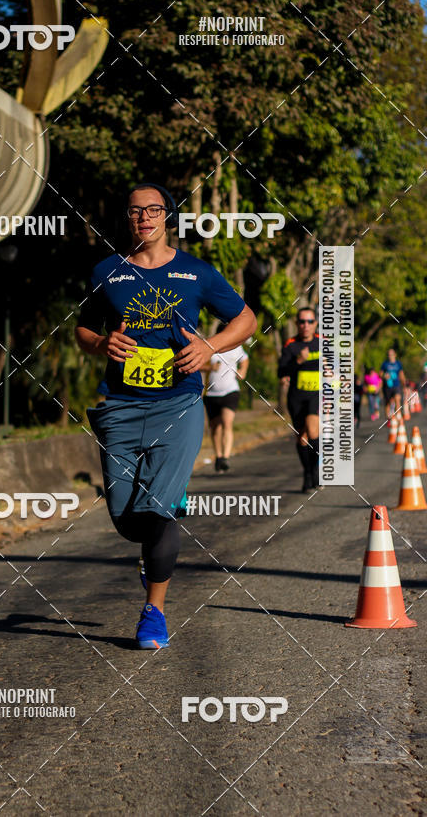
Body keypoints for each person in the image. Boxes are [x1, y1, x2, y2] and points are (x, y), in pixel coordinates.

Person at [75, 182, 256, 649]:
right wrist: (100, 343)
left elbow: (246, 320)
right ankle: (159, 525)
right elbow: (83, 329)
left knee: (157, 515)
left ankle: (153, 612)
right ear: (127, 218)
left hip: (179, 404)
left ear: (167, 217)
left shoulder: (196, 273)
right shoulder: (105, 272)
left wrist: (208, 345)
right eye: (136, 211)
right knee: (126, 519)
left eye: (154, 210)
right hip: (119, 405)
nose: (145, 218)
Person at [278, 307, 320, 492]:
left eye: (310, 321)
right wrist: (299, 362)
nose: (306, 325)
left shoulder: (322, 343)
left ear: (315, 324)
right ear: (297, 324)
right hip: (296, 397)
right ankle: (308, 472)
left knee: (312, 431)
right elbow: (282, 371)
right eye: (302, 322)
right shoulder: (291, 345)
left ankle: (314, 471)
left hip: (316, 395)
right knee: (301, 437)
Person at [203, 335, 249, 472]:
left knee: (227, 422)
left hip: (231, 391)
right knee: (215, 427)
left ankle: (225, 458)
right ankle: (218, 456)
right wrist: (210, 367)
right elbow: (199, 364)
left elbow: (245, 359)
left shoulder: (236, 346)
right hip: (211, 393)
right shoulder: (209, 346)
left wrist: (243, 371)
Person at [380, 348, 406, 418]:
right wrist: (384, 375)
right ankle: (388, 418)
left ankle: (398, 416)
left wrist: (404, 385)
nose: (390, 356)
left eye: (391, 354)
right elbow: (380, 374)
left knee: (397, 399)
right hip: (387, 386)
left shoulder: (398, 364)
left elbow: (401, 374)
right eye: (389, 355)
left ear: (395, 355)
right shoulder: (385, 364)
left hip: (396, 385)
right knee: (387, 403)